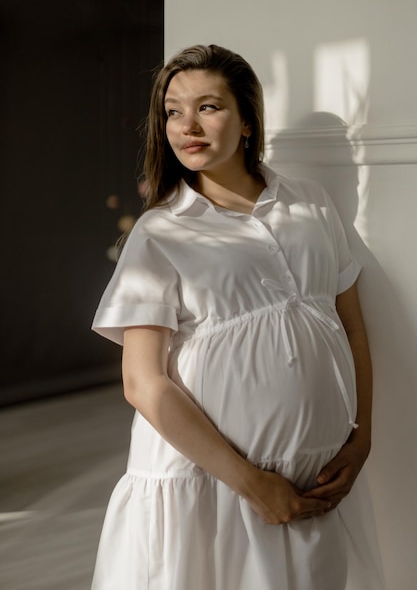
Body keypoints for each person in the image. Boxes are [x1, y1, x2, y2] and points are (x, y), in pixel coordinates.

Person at [91, 44, 385, 590]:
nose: (187, 126)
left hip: (316, 481)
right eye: (173, 111)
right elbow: (143, 382)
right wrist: (251, 483)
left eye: (208, 107)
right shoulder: (162, 233)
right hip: (211, 484)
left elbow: (351, 328)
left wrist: (361, 437)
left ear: (248, 119)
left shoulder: (312, 205)